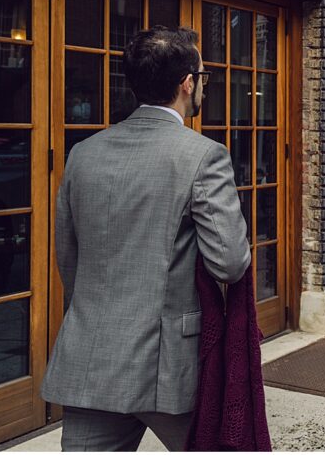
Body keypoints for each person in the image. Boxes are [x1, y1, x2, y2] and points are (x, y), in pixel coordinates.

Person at [41, 26, 252, 451]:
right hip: (168, 364)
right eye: (203, 79)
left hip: (90, 354)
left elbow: (69, 258)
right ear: (187, 83)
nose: (203, 88)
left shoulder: (83, 153)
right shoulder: (204, 156)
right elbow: (230, 260)